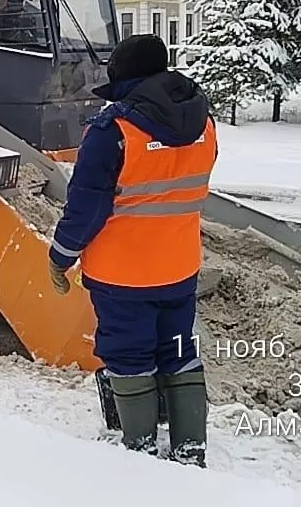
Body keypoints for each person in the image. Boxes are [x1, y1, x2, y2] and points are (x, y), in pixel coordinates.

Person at [46, 34, 216, 468]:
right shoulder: (203, 122)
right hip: (180, 267)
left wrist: (61, 255)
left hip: (123, 275)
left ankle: (139, 456)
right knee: (178, 351)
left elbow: (86, 207)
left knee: (128, 355)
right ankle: (190, 449)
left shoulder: (113, 131)